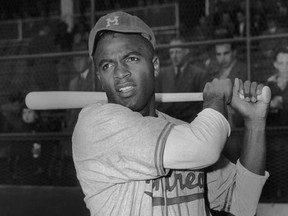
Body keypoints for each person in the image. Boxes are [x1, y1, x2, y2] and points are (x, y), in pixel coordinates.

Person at [72, 11, 270, 216]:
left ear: (155, 66)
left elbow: (242, 203)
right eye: (107, 65)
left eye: (131, 58)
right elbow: (203, 148)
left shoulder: (182, 132)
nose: (120, 73)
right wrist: (214, 98)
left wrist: (255, 123)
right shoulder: (96, 126)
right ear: (100, 77)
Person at [156, 36, 207, 123]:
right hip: (165, 121)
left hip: (190, 121)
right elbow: (157, 104)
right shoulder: (162, 74)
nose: (174, 56)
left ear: (186, 51)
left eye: (178, 52)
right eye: (171, 52)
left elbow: (201, 105)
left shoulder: (199, 74)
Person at [205, 41, 248, 128]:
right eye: (219, 54)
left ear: (234, 52)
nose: (222, 58)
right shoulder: (212, 72)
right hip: (216, 121)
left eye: (226, 53)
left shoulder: (245, 70)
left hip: (237, 122)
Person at [265, 46, 288, 126]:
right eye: (281, 63)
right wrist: (271, 104)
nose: (286, 67)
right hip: (273, 132)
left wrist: (283, 100)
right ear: (275, 65)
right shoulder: (269, 84)